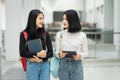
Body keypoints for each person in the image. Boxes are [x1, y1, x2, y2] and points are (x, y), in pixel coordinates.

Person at [19, 9, 53, 80]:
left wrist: (41, 59)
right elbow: (22, 52)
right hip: (32, 66)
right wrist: (37, 54)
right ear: (33, 19)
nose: (42, 21)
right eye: (40, 18)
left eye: (43, 19)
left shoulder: (45, 34)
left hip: (45, 65)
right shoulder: (24, 34)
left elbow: (51, 52)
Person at [55, 9, 88, 80]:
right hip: (63, 65)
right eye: (63, 19)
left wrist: (80, 56)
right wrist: (59, 54)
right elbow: (57, 52)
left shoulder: (82, 35)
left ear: (73, 20)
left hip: (77, 65)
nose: (64, 21)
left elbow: (86, 52)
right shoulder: (59, 34)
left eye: (66, 19)